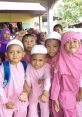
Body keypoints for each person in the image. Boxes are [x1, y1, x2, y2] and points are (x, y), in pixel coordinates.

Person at [51, 31, 82, 117]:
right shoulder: (60, 62)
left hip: (77, 92)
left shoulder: (81, 58)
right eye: (67, 42)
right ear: (63, 46)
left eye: (75, 41)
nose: (72, 44)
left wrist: (80, 90)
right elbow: (56, 82)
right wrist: (55, 98)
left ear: (79, 43)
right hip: (65, 94)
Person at [0, 39, 28, 117]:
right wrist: (5, 101)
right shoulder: (3, 67)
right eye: (11, 52)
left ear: (23, 54)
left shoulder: (24, 65)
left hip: (21, 101)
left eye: (18, 52)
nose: (15, 55)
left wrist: (26, 93)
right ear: (6, 54)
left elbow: (27, 82)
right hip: (6, 100)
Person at [21, 45, 51, 117]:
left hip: (43, 92)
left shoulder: (47, 66)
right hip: (32, 92)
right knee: (32, 109)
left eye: (40, 60)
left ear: (46, 60)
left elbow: (48, 79)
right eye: (34, 60)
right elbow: (27, 78)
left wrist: (46, 91)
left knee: (45, 109)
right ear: (30, 58)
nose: (37, 63)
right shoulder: (29, 66)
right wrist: (27, 91)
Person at [45, 31, 61, 117]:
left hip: (58, 91)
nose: (51, 49)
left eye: (55, 46)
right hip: (48, 89)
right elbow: (44, 72)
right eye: (48, 46)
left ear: (60, 47)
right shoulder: (45, 58)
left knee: (57, 110)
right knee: (50, 109)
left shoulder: (60, 59)